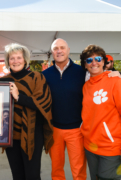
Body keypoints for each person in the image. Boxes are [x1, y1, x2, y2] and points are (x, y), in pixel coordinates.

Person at [0, 43, 53, 180]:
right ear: (7, 61)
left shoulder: (37, 77)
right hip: (10, 137)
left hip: (33, 135)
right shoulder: (2, 81)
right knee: (17, 175)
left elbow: (43, 104)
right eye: (12, 58)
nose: (15, 61)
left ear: (25, 59)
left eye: (18, 57)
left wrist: (18, 97)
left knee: (32, 175)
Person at [42, 38, 87, 180]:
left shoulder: (82, 72)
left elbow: (99, 80)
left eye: (62, 47)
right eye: (55, 48)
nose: (59, 51)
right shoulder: (45, 75)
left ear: (68, 51)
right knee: (56, 169)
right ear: (52, 52)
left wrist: (114, 74)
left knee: (78, 169)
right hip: (54, 129)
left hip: (77, 129)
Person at [80, 45, 121, 180]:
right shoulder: (86, 86)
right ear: (85, 65)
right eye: (89, 60)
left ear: (103, 61)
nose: (94, 63)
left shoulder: (114, 80)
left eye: (98, 58)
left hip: (110, 147)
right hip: (90, 146)